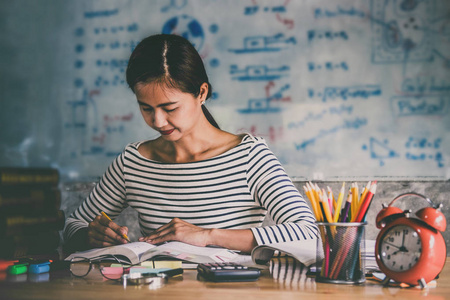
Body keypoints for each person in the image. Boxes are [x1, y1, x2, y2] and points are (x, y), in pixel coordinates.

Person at [63, 34, 318, 254]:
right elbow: (73, 225)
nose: (158, 121)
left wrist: (208, 236)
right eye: (146, 108)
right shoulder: (133, 162)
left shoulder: (249, 157)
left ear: (202, 93)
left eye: (169, 108)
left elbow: (309, 233)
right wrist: (91, 235)